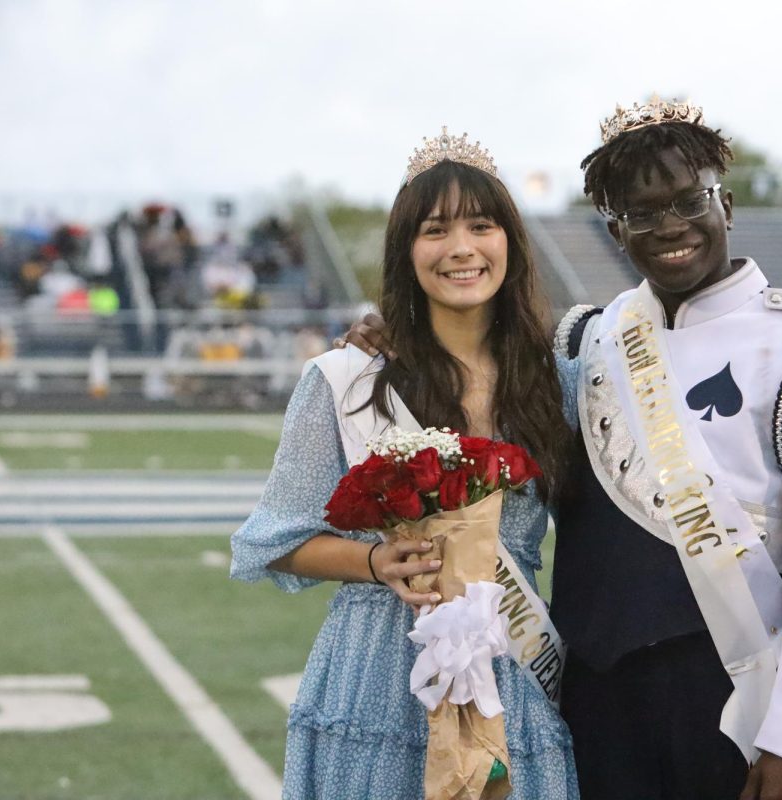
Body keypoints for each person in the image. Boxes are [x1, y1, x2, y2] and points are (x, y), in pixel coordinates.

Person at [345, 97, 782, 800]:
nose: (669, 227)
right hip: (592, 698)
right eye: (641, 213)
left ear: (725, 204)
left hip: (727, 699)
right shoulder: (589, 339)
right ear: (614, 230)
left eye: (687, 201)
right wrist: (396, 331)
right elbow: (479, 345)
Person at [230, 129, 579, 799]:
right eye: (434, 230)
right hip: (379, 674)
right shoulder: (349, 379)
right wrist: (373, 562)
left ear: (510, 241)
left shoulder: (555, 380)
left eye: (482, 225)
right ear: (406, 251)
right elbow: (273, 539)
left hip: (514, 668)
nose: (461, 249)